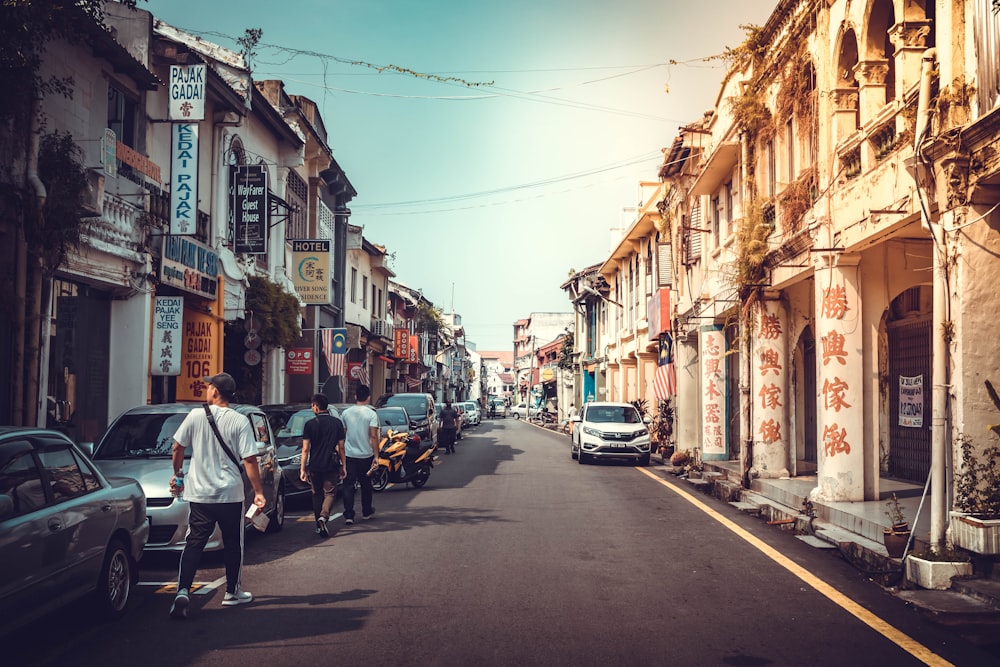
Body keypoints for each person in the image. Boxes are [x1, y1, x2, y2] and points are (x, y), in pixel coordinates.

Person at [169, 372, 265, 620]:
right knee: (233, 543)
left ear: (215, 392)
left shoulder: (195, 416)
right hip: (230, 494)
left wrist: (178, 474)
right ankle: (232, 592)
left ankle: (182, 590)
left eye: (209, 386)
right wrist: (258, 492)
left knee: (194, 543)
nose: (207, 389)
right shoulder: (240, 421)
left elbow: (177, 446)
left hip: (200, 495)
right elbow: (250, 459)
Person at [300, 393, 346, 538]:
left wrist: (302, 468)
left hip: (315, 465)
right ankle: (323, 517)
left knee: (316, 494)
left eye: (312, 405)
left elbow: (305, 449)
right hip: (331, 464)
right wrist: (343, 465)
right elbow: (341, 447)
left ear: (316, 406)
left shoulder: (309, 425)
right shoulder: (337, 423)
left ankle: (318, 525)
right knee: (330, 493)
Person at [339, 385, 379, 525]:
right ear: (368, 397)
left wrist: (341, 453)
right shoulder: (371, 414)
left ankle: (349, 514)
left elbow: (342, 435)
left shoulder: (345, 413)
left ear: (355, 397)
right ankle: (366, 511)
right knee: (366, 484)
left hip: (349, 455)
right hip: (366, 455)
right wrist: (376, 456)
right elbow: (374, 436)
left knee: (348, 485)